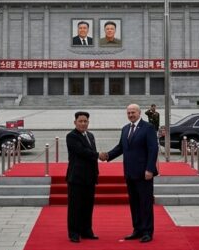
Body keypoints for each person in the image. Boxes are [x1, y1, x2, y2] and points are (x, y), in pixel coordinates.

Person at [100, 104, 158, 242]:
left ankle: (147, 232)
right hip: (130, 173)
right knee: (134, 203)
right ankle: (137, 229)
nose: (131, 115)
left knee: (145, 203)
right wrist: (108, 156)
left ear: (139, 113)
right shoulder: (125, 129)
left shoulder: (148, 128)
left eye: (133, 112)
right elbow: (121, 147)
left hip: (144, 173)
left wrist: (150, 169)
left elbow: (153, 149)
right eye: (128, 113)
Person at [65, 111, 99, 242]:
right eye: (81, 121)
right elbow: (81, 152)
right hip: (76, 177)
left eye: (85, 121)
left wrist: (96, 172)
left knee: (88, 205)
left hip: (90, 177)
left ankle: (87, 231)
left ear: (88, 122)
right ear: (75, 122)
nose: (83, 123)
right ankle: (74, 233)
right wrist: (98, 155)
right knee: (75, 206)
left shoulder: (90, 135)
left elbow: (91, 156)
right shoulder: (71, 136)